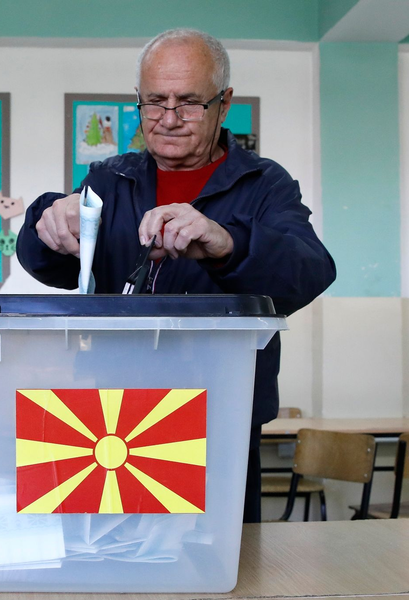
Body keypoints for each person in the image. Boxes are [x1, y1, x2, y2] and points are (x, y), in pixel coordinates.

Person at [17, 28, 336, 523]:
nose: (168, 120)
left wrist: (227, 242)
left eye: (189, 102)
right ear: (138, 102)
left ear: (224, 103)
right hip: (108, 416)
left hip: (222, 413)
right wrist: (46, 223)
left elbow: (310, 272)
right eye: (154, 102)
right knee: (110, 561)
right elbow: (53, 266)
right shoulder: (109, 180)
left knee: (223, 565)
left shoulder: (263, 183)